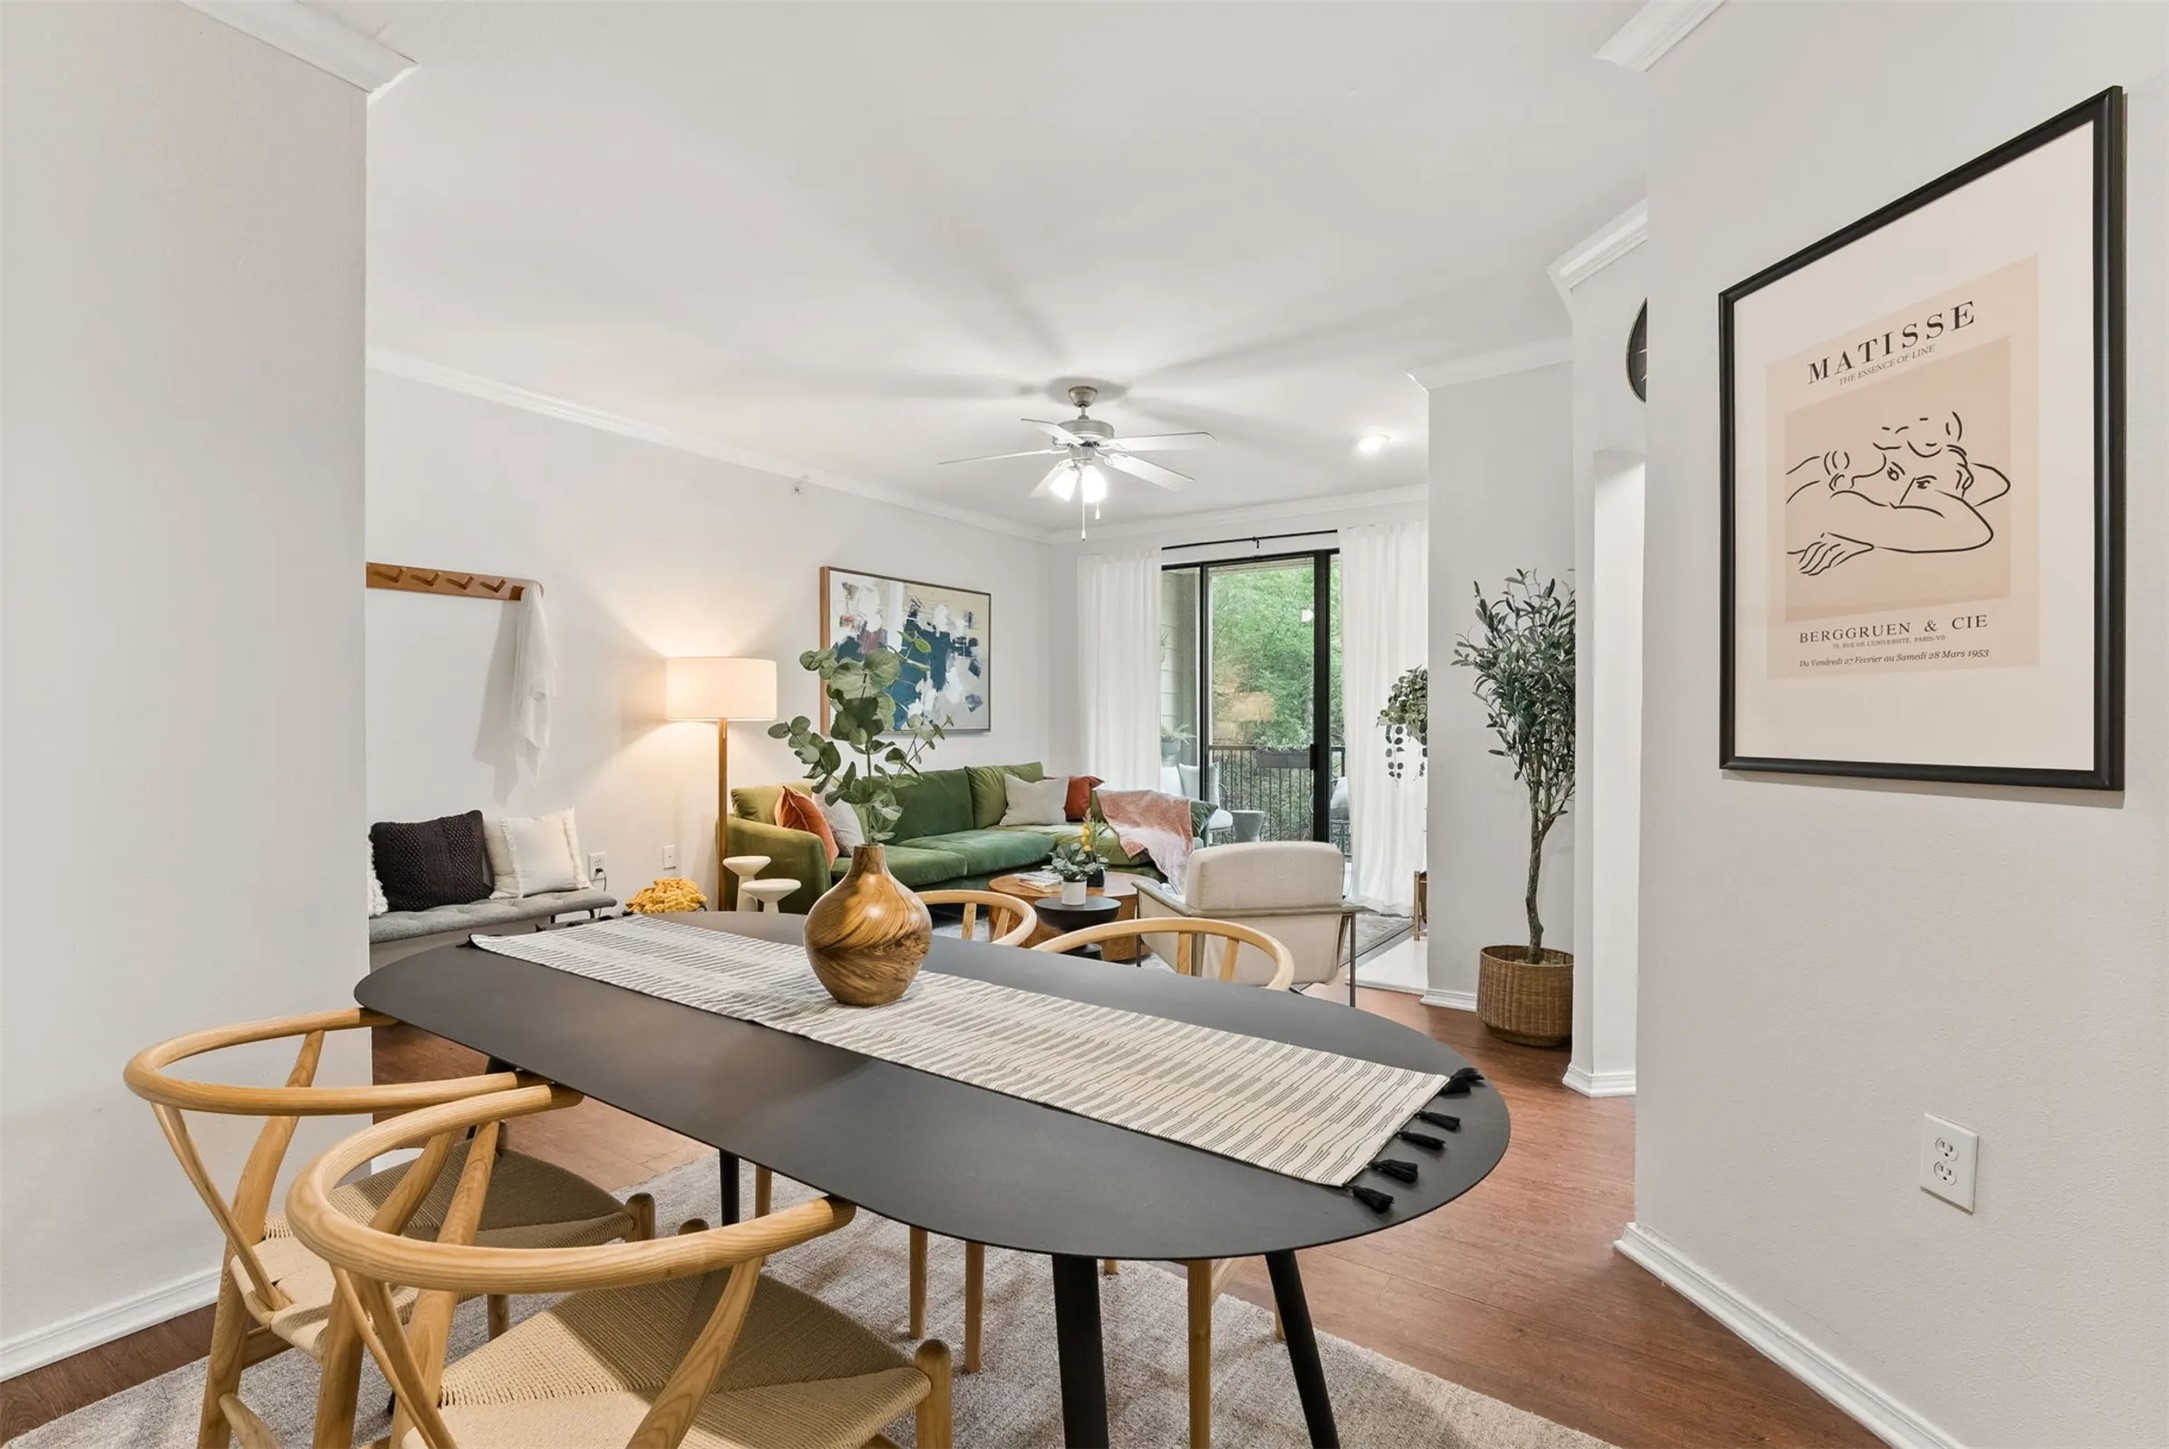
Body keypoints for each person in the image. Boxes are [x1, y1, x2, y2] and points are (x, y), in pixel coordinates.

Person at [1783, 410, 2011, 576]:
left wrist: (1865, 538)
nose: (1898, 499)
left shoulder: (1860, 485)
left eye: (1921, 486)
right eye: (1893, 473)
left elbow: (1997, 482)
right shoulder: (1831, 499)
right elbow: (1971, 530)